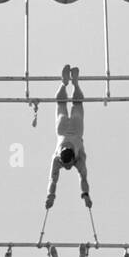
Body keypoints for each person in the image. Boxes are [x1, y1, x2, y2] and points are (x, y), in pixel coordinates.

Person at [44, 65, 91, 209]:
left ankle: (65, 83)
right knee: (72, 104)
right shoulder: (77, 160)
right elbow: (82, 178)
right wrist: (85, 195)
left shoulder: (58, 160)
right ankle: (72, 84)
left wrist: (51, 196)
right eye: (68, 165)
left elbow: (53, 180)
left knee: (63, 104)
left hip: (66, 130)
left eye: (67, 164)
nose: (68, 167)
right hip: (70, 131)